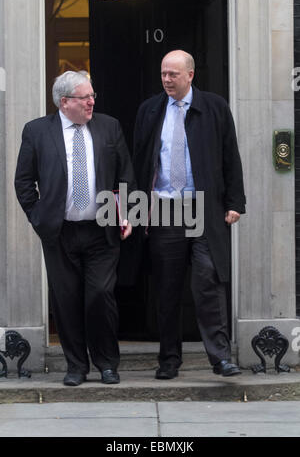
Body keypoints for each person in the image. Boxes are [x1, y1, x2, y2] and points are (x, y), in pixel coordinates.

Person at [15, 70, 136, 386]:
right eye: (86, 97)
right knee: (66, 299)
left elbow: (126, 175)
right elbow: (24, 182)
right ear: (64, 101)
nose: (92, 102)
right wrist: (39, 218)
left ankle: (107, 363)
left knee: (99, 295)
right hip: (60, 232)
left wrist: (126, 214)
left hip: (102, 230)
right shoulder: (37, 131)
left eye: (93, 96)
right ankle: (76, 366)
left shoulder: (109, 126)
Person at [133, 50, 246, 379]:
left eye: (174, 74)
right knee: (167, 289)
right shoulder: (150, 110)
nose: (167, 79)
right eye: (164, 73)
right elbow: (140, 160)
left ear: (191, 75)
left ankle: (220, 357)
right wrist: (135, 208)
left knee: (208, 280)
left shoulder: (215, 107)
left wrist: (235, 202)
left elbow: (231, 157)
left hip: (204, 209)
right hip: (164, 209)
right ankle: (169, 359)